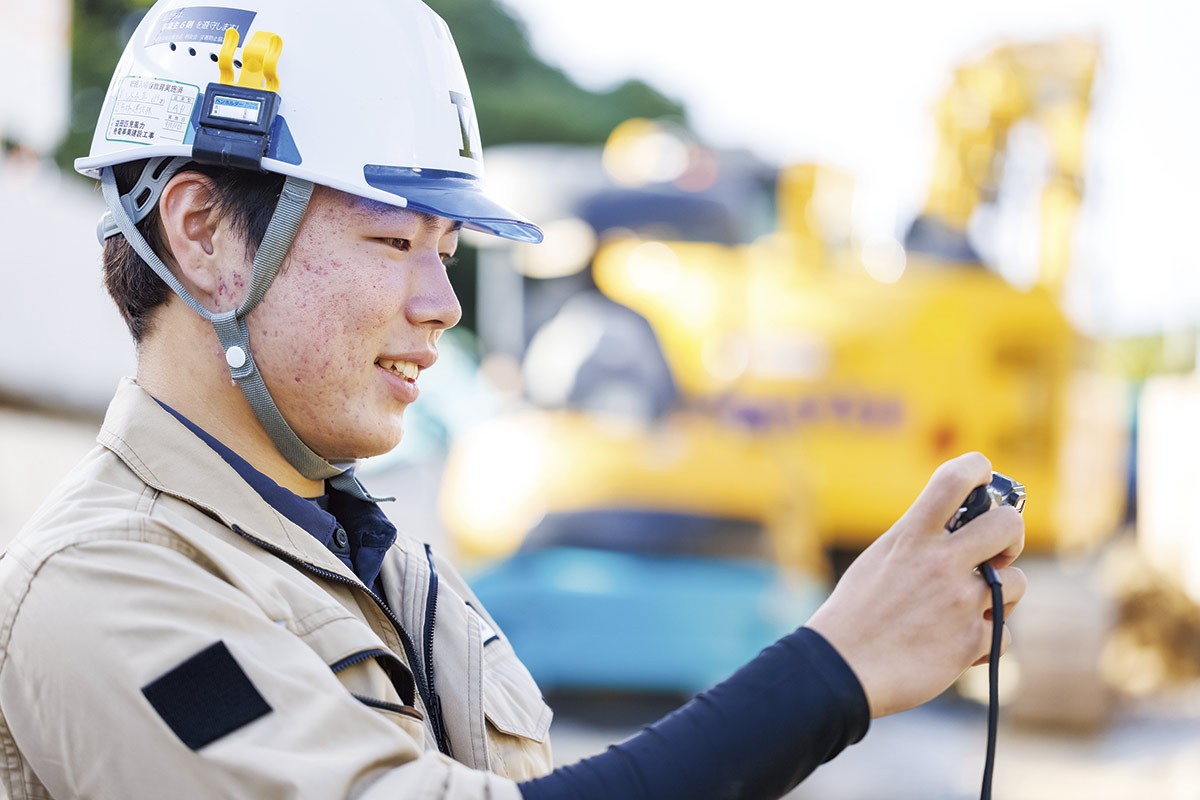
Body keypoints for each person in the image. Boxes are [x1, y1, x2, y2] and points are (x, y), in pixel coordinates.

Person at [0, 1, 1027, 798]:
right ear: (204, 233)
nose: (441, 302)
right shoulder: (96, 586)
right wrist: (831, 667)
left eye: (447, 251)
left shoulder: (384, 561)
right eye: (394, 241)